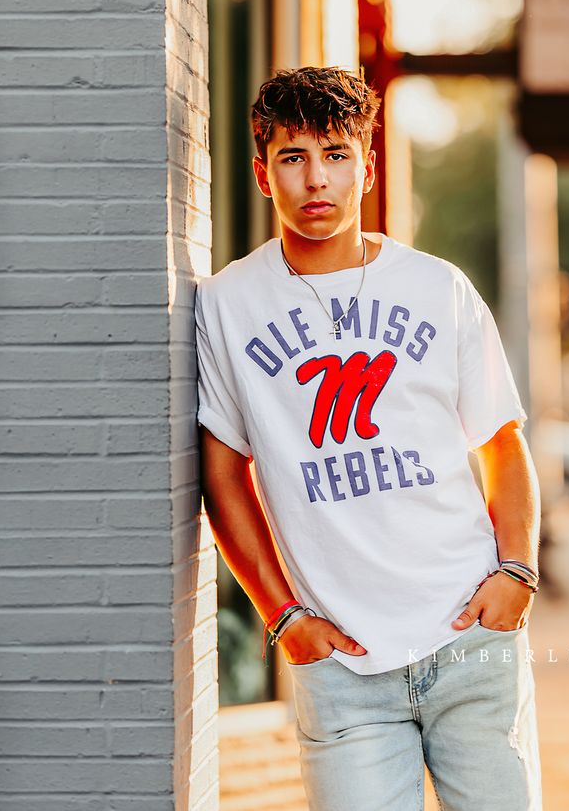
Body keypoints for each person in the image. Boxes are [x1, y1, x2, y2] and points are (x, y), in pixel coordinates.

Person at [195, 66, 543, 810]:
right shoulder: (227, 304)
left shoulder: (437, 287)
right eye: (293, 157)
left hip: (469, 638)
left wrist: (517, 571)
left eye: (335, 153)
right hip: (342, 667)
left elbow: (502, 443)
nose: (315, 178)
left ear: (367, 165)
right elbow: (223, 475)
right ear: (262, 174)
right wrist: (284, 617)